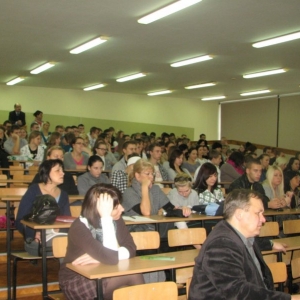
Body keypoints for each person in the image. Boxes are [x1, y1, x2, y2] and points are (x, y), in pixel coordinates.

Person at [188, 189, 295, 300]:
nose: (263, 219)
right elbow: (238, 292)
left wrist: (271, 243)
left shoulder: (240, 235)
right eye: (258, 213)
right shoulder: (221, 245)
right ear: (239, 214)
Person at [58, 184, 144, 299]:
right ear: (100, 209)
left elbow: (131, 248)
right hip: (76, 280)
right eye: (116, 206)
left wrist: (100, 257)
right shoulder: (79, 227)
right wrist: (106, 218)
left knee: (129, 281)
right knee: (133, 274)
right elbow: (111, 258)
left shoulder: (117, 220)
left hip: (107, 271)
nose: (122, 209)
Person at [16, 159, 71, 242]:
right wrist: (34, 234)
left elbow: (67, 220)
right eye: (57, 170)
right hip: (36, 239)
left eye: (62, 170)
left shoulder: (63, 195)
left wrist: (59, 230)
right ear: (47, 173)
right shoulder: (33, 190)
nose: (62, 173)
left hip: (57, 237)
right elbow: (20, 220)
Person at [122, 159, 190, 218]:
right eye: (147, 174)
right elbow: (146, 212)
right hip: (136, 229)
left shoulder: (155, 189)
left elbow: (170, 208)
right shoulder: (129, 192)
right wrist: (144, 187)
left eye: (152, 174)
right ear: (137, 175)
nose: (151, 177)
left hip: (154, 227)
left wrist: (182, 209)